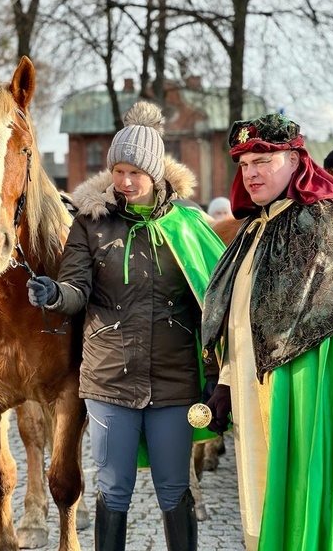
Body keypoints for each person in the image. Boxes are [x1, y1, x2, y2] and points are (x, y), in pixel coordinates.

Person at [27, 100, 225, 551]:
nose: (125, 181)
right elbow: (75, 290)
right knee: (114, 490)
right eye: (117, 171)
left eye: (135, 172)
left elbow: (215, 305)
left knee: (175, 489)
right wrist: (55, 295)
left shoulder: (189, 226)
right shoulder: (90, 225)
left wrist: (215, 377)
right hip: (109, 380)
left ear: (155, 174)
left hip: (174, 382)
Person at [201, 112, 333, 551]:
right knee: (259, 502)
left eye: (263, 160)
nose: (251, 174)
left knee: (300, 491)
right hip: (251, 385)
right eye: (244, 164)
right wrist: (225, 382)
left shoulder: (325, 222)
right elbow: (238, 317)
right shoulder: (255, 228)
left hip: (303, 388)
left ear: (296, 161)